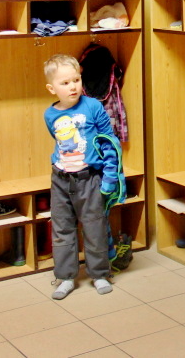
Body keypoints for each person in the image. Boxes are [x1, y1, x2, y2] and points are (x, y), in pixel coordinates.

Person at [43, 54, 121, 300]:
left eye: (76, 80)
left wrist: (110, 178)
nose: (73, 87)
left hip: (90, 179)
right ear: (52, 88)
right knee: (62, 228)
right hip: (61, 179)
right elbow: (58, 141)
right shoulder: (50, 114)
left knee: (94, 226)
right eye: (65, 83)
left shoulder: (93, 106)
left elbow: (110, 141)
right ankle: (66, 277)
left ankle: (99, 274)